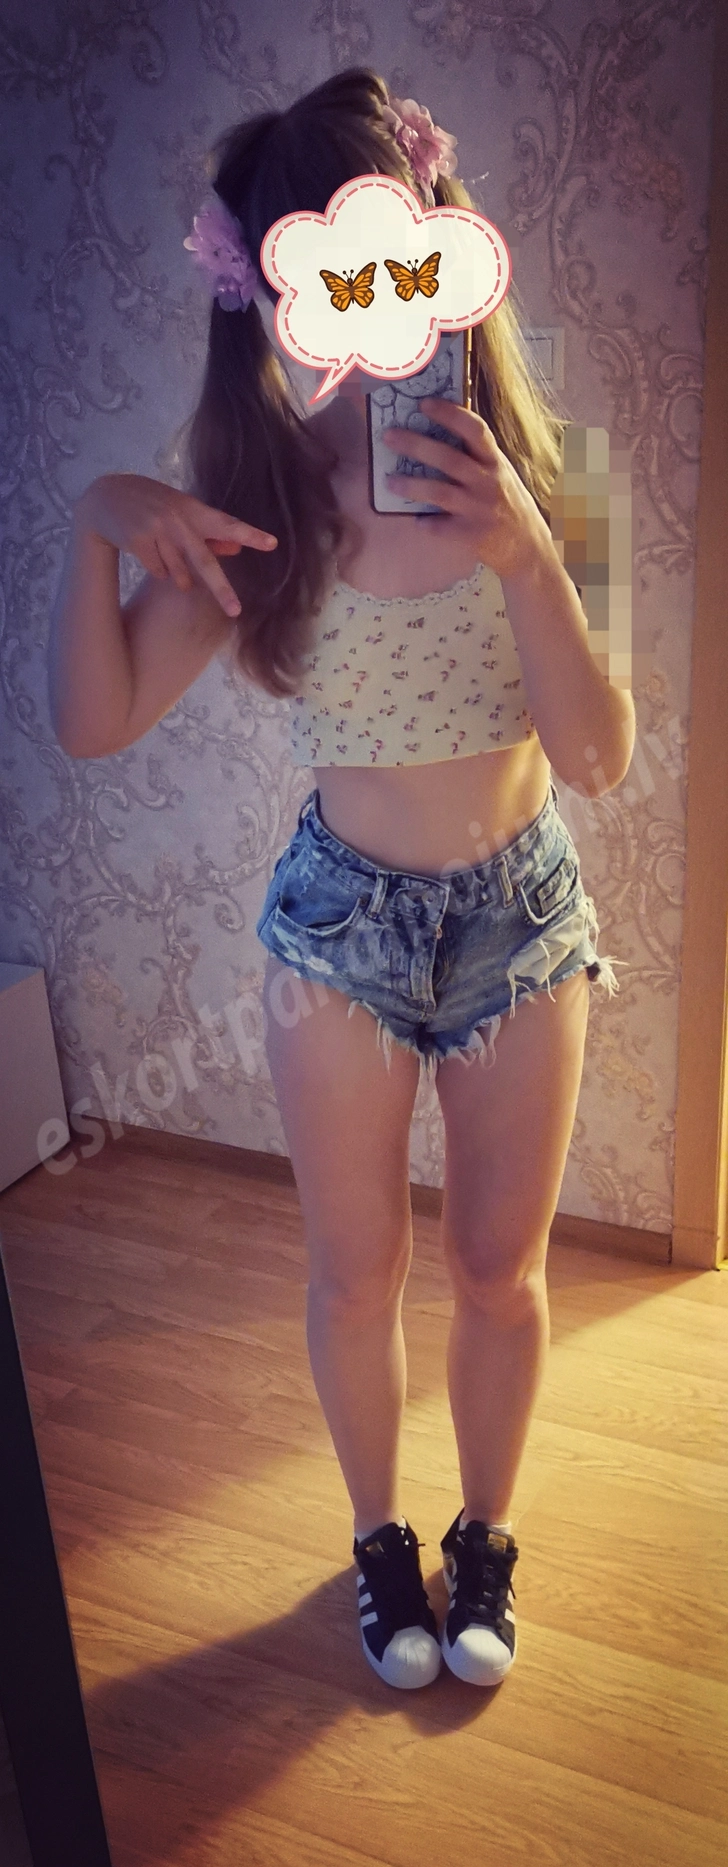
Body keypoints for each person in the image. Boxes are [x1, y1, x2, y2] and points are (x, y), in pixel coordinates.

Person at [48, 68, 635, 1694]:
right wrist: (94, 523)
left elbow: (598, 756)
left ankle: (484, 1537)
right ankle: (382, 1543)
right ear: (275, 289)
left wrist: (525, 549)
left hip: (522, 918)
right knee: (352, 1270)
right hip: (339, 933)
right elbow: (93, 723)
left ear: (444, 245)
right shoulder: (264, 508)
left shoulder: (559, 470)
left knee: (498, 1269)